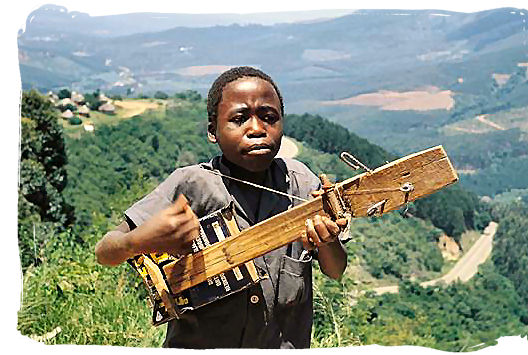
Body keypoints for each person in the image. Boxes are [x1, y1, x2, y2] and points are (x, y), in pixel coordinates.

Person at [94, 66, 349, 348]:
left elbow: (336, 269)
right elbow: (105, 251)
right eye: (239, 119)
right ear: (213, 131)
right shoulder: (191, 185)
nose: (256, 129)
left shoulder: (302, 185)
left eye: (269, 117)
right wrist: (137, 241)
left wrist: (328, 242)